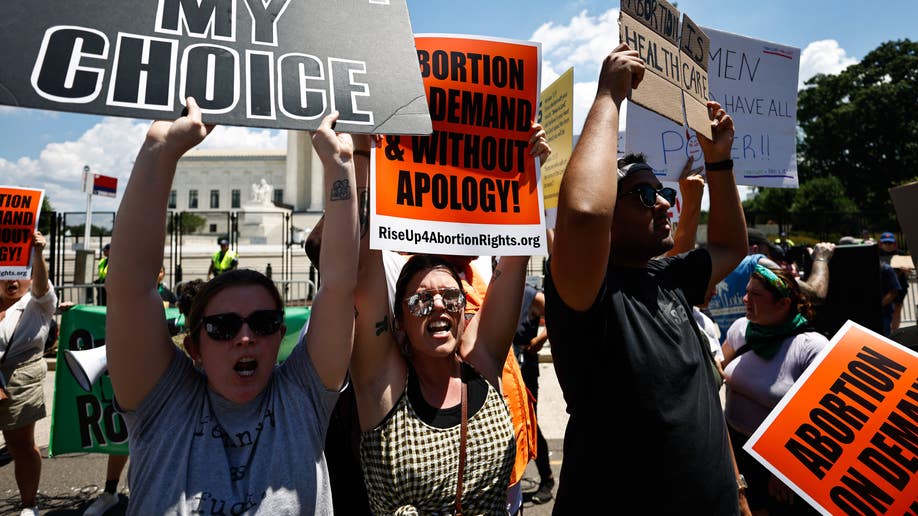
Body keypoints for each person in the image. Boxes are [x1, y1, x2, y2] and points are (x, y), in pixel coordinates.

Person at [104, 99, 358, 513]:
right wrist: (158, 149)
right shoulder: (164, 403)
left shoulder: (301, 398)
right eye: (222, 326)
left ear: (281, 334)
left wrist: (340, 165)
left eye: (263, 322)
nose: (244, 337)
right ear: (194, 346)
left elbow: (338, 286)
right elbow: (130, 287)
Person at [545, 43, 750, 513]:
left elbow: (729, 247)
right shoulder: (585, 295)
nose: (664, 202)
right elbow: (580, 212)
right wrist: (608, 97)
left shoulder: (669, 279)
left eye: (660, 190)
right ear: (608, 218)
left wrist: (719, 163)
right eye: (642, 195)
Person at [350, 123, 549, 513]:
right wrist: (363, 158)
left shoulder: (480, 358)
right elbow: (364, 266)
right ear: (399, 323)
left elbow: (517, 254)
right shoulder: (382, 383)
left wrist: (528, 175)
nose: (439, 306)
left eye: (450, 298)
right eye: (422, 300)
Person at [721, 264, 829, 515]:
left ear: (783, 304)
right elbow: (718, 369)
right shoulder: (741, 329)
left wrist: (785, 469)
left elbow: (817, 417)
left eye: (756, 295)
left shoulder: (811, 346)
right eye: (747, 292)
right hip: (735, 451)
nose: (746, 299)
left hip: (779, 460)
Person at [0, 230, 56, 516]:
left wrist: (37, 254)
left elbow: (43, 287)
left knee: (21, 446)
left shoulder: (37, 303)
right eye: (6, 273)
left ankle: (28, 504)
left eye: (20, 274)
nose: (12, 280)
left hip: (19, 380)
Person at [707, 228, 835, 341]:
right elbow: (816, 293)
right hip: (764, 352)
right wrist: (821, 258)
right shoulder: (754, 263)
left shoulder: (713, 271)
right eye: (768, 254)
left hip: (730, 354)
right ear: (755, 249)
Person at [513, 284, 554, 505]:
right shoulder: (493, 291)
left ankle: (547, 478)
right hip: (503, 366)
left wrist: (541, 339)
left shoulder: (530, 294)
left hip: (525, 366)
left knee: (531, 424)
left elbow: (558, 315)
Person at [877, 231, 910, 331]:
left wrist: (905, 271)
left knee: (897, 310)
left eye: (890, 243)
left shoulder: (901, 254)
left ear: (894, 244)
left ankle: (894, 333)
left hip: (900, 286)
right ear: (880, 244)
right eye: (885, 243)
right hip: (883, 288)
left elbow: (907, 274)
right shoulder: (877, 255)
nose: (888, 245)